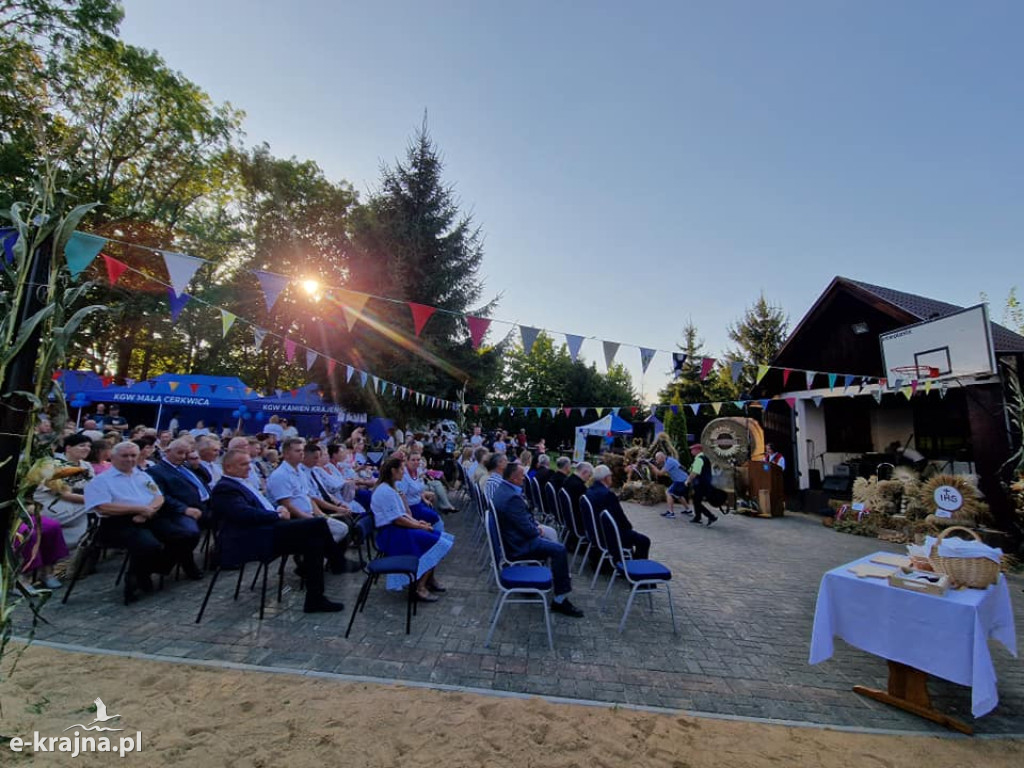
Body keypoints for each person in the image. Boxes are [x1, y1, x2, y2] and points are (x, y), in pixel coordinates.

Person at [211, 449, 345, 613]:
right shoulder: (225, 488)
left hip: (268, 529)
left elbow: (264, 504)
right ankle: (338, 563)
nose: (249, 467)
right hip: (252, 538)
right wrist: (276, 514)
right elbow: (243, 513)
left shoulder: (243, 482)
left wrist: (278, 508)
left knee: (314, 541)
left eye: (249, 463)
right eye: (243, 464)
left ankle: (315, 598)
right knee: (317, 525)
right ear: (228, 467)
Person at [84, 441, 201, 602]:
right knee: (148, 545)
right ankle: (133, 579)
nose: (130, 459)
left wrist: (147, 511)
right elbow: (102, 507)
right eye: (125, 456)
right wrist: (137, 510)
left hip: (148, 515)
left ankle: (148, 570)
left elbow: (158, 497)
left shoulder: (142, 475)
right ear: (113, 457)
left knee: (185, 535)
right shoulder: (101, 481)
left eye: (133, 455)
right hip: (117, 522)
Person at [492, 461, 583, 618]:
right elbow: (527, 530)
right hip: (518, 545)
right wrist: (536, 529)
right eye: (522, 476)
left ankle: (558, 578)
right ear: (513, 479)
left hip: (513, 538)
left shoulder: (503, 489)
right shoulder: (512, 498)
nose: (524, 479)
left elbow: (521, 519)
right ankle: (560, 599)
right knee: (559, 550)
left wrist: (534, 526)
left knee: (551, 539)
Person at [371, 456, 453, 602]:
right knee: (434, 542)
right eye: (401, 469)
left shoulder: (391, 488)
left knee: (436, 536)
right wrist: (418, 525)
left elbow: (403, 514)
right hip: (391, 533)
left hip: (397, 529)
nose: (403, 472)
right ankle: (420, 587)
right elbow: (397, 519)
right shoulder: (385, 491)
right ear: (393, 471)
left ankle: (428, 579)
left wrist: (417, 522)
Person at [267, 438, 350, 571]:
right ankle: (324, 561)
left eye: (302, 450)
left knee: (342, 527)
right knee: (334, 529)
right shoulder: (280, 475)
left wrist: (320, 515)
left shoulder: (299, 472)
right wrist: (310, 519)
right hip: (294, 520)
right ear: (287, 454)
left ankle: (312, 561)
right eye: (298, 451)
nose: (302, 454)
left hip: (309, 514)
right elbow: (287, 505)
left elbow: (308, 498)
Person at [147, 438, 212, 557]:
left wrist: (197, 464)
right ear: (167, 451)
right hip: (179, 511)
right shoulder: (156, 471)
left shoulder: (187, 466)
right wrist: (184, 509)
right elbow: (161, 496)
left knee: (233, 520)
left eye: (186, 453)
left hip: (205, 505)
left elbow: (208, 479)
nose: (183, 456)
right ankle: (180, 561)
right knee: (190, 533)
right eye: (180, 453)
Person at [32, 433, 95, 547]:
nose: (87, 448)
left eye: (89, 446)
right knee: (96, 507)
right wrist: (94, 500)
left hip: (74, 501)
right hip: (49, 502)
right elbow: (63, 494)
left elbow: (93, 488)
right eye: (82, 445)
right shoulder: (53, 464)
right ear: (68, 448)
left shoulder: (86, 465)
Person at [586, 465, 651, 559]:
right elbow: (620, 517)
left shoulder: (589, 491)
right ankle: (635, 567)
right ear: (606, 478)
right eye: (610, 476)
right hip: (609, 535)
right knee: (644, 540)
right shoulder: (608, 495)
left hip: (596, 531)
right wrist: (629, 528)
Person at [648, 451, 694, 518]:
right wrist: (654, 463)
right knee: (678, 495)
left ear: (661, 457)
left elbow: (660, 473)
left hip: (680, 480)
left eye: (657, 458)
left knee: (668, 493)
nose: (656, 460)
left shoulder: (669, 462)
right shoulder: (669, 460)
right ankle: (688, 510)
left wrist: (651, 465)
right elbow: (661, 467)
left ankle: (670, 512)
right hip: (683, 479)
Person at [686, 444, 718, 527]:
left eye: (692, 450)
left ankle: (711, 516)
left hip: (700, 484)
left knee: (697, 502)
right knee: (696, 501)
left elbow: (695, 472)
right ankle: (698, 517)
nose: (691, 451)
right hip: (705, 483)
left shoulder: (699, 459)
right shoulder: (704, 458)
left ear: (698, 450)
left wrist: (688, 480)